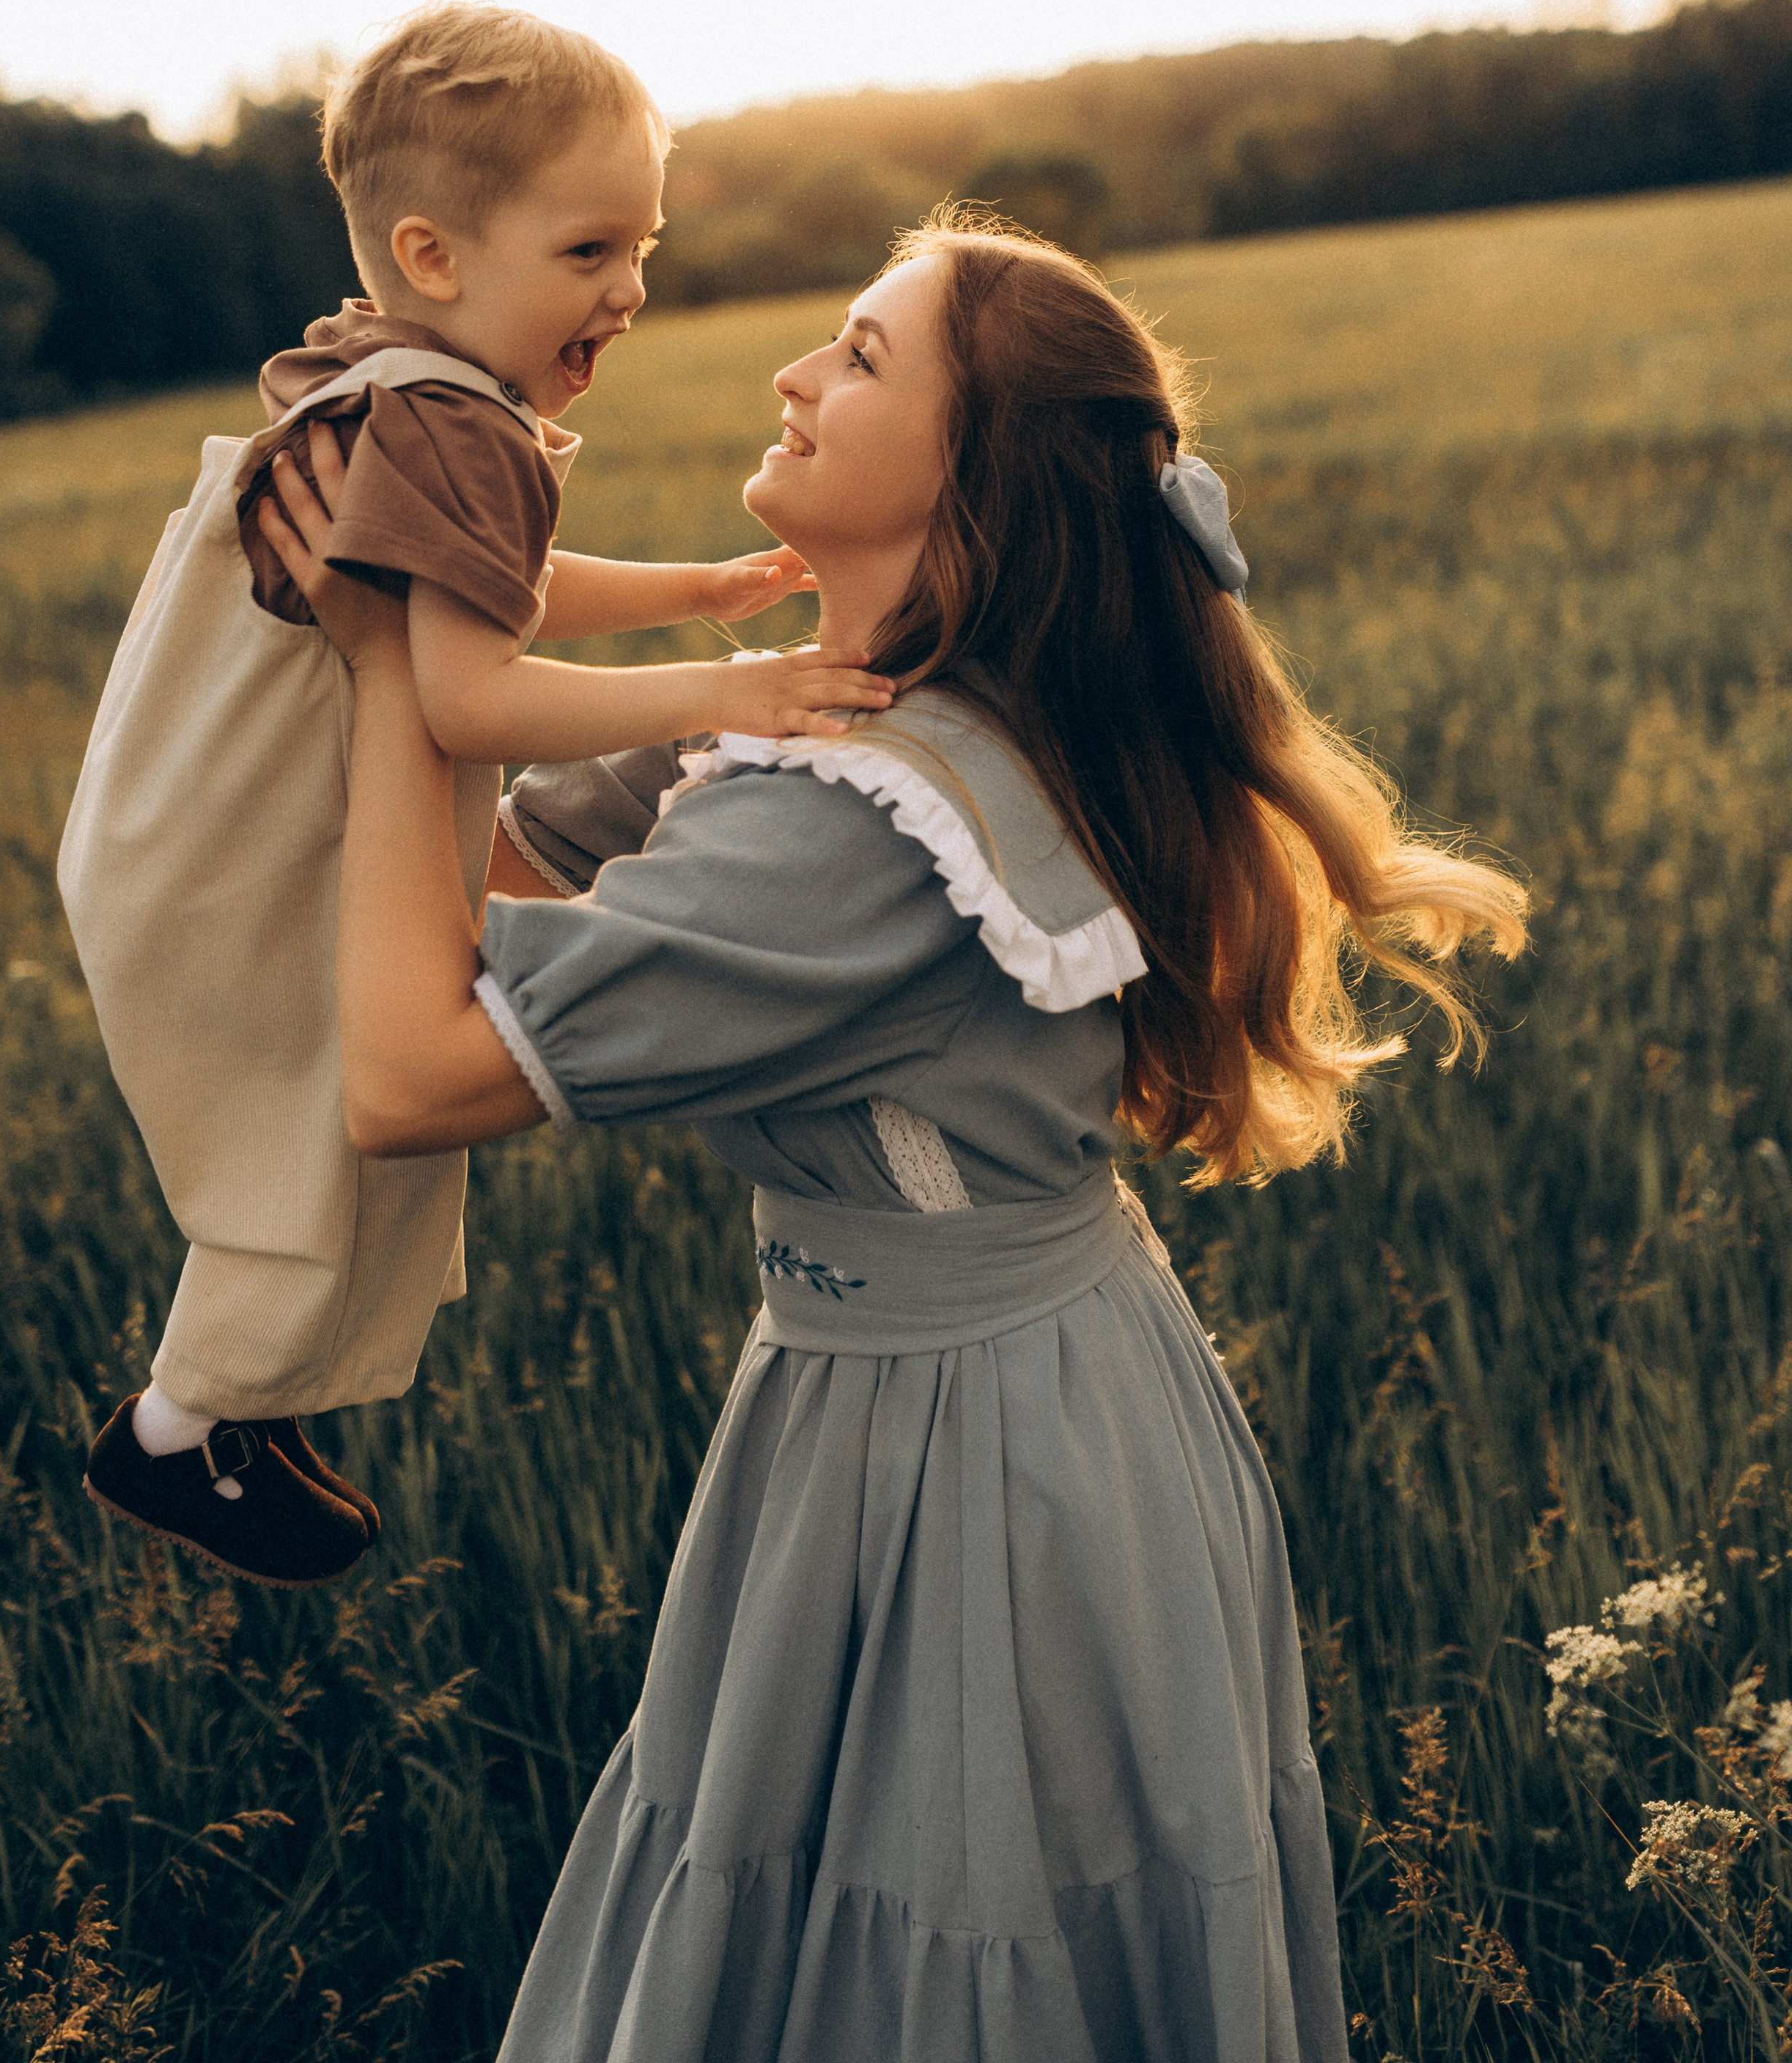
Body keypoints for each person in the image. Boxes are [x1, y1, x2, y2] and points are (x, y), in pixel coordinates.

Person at [260, 213, 1527, 2062]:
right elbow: (482, 866)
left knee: (945, 1953)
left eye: (859, 356)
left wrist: (397, 656)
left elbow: (404, 1068)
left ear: (975, 466)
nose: (792, 370)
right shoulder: (843, 713)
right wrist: (461, 592)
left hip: (977, 1455)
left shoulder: (863, 822)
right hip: (975, 1392)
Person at [68, 4, 887, 1592]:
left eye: (641, 242)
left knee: (305, 1142)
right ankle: (184, 1434)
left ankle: (224, 1411)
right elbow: (461, 690)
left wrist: (696, 589)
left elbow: (471, 592)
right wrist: (727, 685)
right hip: (253, 852)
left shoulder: (392, 381)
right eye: (588, 248)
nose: (629, 286)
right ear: (436, 256)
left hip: (180, 828)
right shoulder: (456, 422)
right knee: (320, 1144)